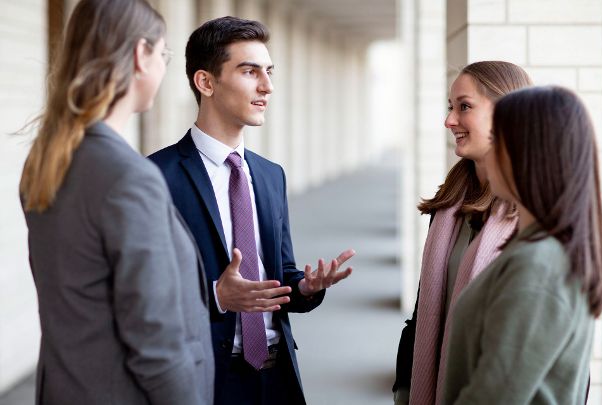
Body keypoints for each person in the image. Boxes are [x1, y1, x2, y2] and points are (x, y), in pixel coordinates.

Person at [148, 16, 354, 405]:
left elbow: (280, 277)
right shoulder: (155, 177)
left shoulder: (270, 175)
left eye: (269, 71)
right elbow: (142, 297)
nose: (267, 86)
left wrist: (306, 288)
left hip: (277, 377)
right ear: (206, 82)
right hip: (205, 378)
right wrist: (217, 296)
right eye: (250, 71)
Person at [19, 0, 215, 403]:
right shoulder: (128, 177)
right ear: (141, 55)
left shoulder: (48, 161)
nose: (163, 68)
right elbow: (155, 342)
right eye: (162, 54)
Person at [442, 85, 602, 404]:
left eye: (497, 142)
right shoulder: (537, 248)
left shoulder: (540, 266)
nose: (488, 155)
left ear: (528, 154)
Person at [393, 61, 533, 405]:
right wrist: (404, 391)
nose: (449, 120)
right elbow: (422, 313)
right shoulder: (448, 207)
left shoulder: (535, 216)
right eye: (450, 107)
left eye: (464, 107)